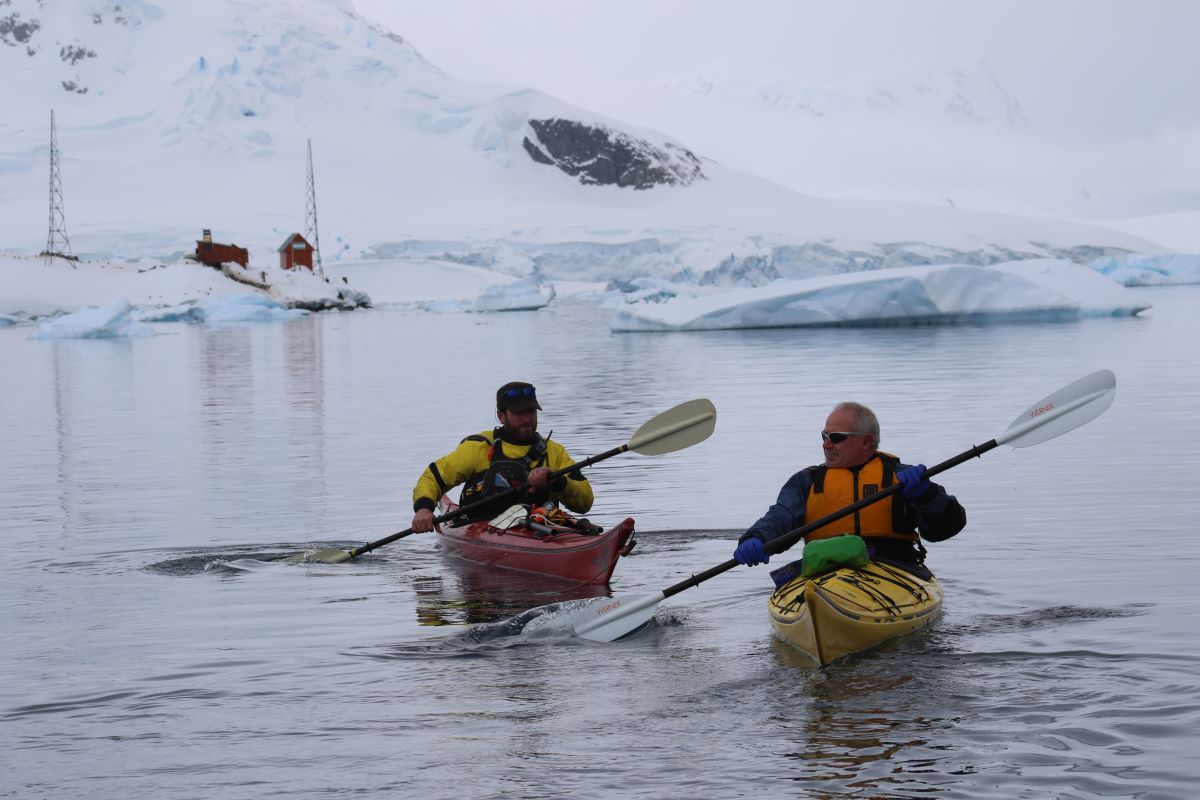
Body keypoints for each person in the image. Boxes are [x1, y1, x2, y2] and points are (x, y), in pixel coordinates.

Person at [732, 401, 965, 573]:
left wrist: (928, 496)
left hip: (893, 570)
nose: (826, 444)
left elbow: (945, 528)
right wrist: (756, 538)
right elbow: (780, 518)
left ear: (866, 441)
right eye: (824, 435)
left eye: (835, 437)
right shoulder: (806, 482)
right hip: (824, 574)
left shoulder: (902, 477)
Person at [411, 382, 594, 532]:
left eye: (530, 411)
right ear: (501, 415)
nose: (526, 419)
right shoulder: (479, 448)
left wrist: (558, 482)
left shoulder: (555, 453)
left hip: (542, 528)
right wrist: (423, 509)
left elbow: (585, 501)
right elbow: (432, 477)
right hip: (481, 528)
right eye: (518, 413)